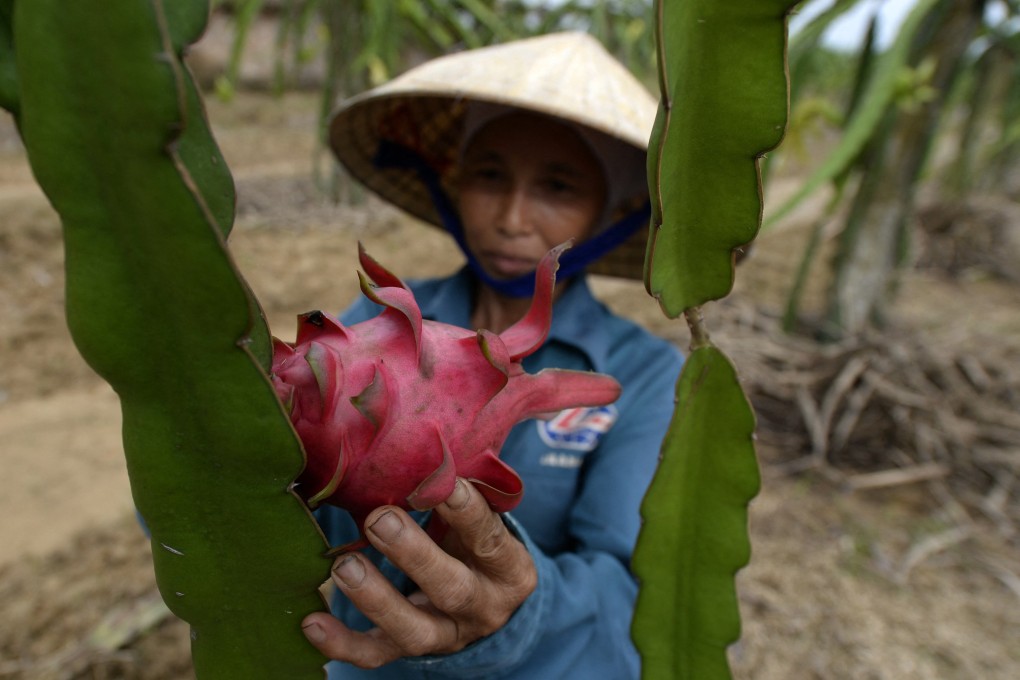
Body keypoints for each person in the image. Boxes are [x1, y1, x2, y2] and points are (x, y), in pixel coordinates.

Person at [300, 31, 684, 679]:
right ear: (451, 181)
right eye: (489, 176)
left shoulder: (645, 375)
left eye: (557, 187)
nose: (511, 218)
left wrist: (516, 616)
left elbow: (627, 590)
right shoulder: (373, 320)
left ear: (616, 209)